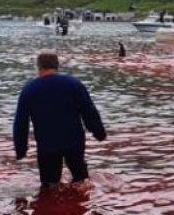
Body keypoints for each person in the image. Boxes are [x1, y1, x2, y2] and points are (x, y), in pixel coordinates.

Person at [13, 52, 106, 186]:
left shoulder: (29, 89)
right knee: (81, 182)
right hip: (74, 143)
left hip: (47, 145)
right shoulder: (73, 84)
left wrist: (21, 149)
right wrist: (99, 133)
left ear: (39, 67)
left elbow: (21, 123)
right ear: (57, 67)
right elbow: (89, 112)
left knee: (50, 186)